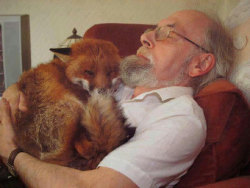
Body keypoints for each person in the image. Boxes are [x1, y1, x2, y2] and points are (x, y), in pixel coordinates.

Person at [0, 9, 234, 188]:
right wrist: (15, 91)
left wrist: (10, 153)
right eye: (153, 29)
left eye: (167, 33)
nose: (144, 37)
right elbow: (42, 79)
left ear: (200, 64)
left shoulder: (180, 119)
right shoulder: (117, 80)